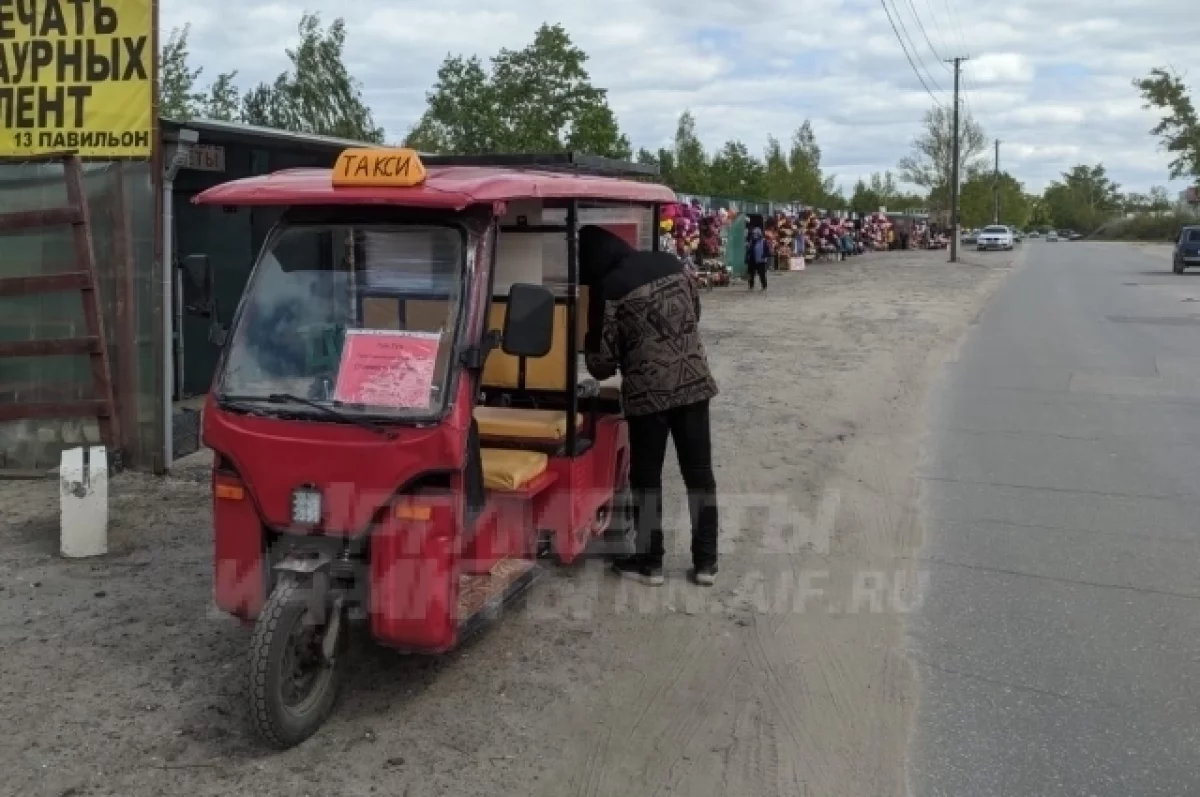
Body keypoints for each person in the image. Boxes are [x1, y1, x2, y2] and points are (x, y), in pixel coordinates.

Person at [579, 225, 721, 587]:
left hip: (648, 397)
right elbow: (695, 313)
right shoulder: (671, 262)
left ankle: (651, 564)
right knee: (699, 476)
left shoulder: (609, 288)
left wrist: (588, 339)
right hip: (693, 385)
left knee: (647, 481)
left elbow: (601, 364)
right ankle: (706, 563)